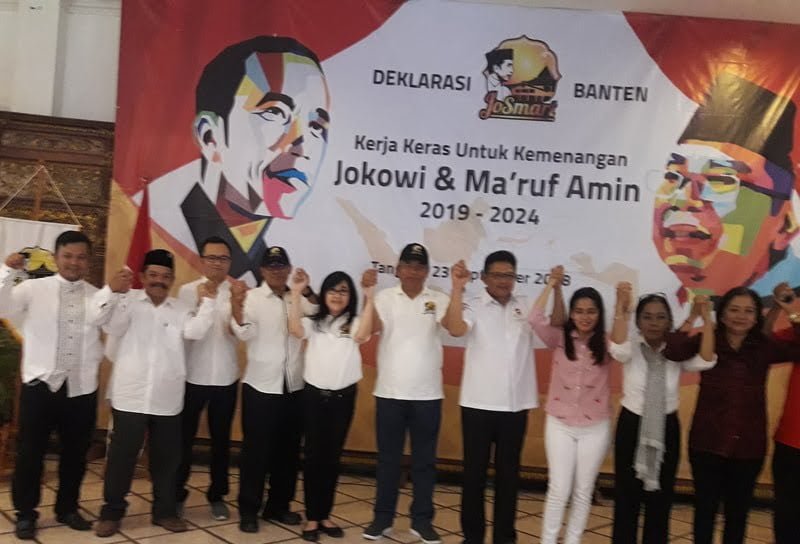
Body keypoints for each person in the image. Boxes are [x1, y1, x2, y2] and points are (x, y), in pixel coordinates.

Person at [146, 36, 331, 283]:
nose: (301, 147)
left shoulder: (267, 263)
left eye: (317, 126)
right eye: (275, 112)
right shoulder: (162, 231)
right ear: (210, 136)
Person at [89, 249, 217, 538]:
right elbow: (107, 323)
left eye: (165, 276)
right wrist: (113, 291)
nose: (159, 281)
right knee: (122, 459)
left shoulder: (180, 309)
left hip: (166, 398)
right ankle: (111, 513)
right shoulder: (128, 301)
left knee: (166, 461)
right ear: (143, 276)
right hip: (130, 396)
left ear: (172, 279)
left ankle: (165, 512)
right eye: (153, 275)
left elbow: (196, 331)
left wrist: (208, 302)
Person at [652, 72, 799, 300]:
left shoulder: (788, 310)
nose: (683, 198)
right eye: (673, 176)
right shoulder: (668, 305)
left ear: (784, 226)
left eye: (720, 180)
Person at [671, 286, 800, 544]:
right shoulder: (708, 339)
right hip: (707, 442)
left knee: (737, 516)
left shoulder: (763, 346)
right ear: (722, 313)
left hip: (748, 447)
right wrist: (693, 317)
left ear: (756, 317)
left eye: (748, 311)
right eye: (734, 310)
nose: (741, 316)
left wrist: (790, 312)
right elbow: (674, 351)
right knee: (704, 512)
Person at [0, 231, 101, 540]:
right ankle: (25, 513)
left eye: (81, 257)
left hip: (81, 388)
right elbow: (2, 308)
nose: (74, 262)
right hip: (40, 385)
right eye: (68, 256)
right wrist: (6, 272)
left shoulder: (98, 296)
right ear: (56, 257)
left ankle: (67, 508)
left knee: (75, 453)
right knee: (30, 453)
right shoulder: (32, 288)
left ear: (88, 261)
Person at [441, 251, 539, 544]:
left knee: (509, 477)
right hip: (478, 405)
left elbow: (555, 324)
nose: (503, 281)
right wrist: (457, 288)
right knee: (474, 475)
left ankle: (504, 537)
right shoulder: (473, 304)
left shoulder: (525, 305)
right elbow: (455, 329)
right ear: (484, 277)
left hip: (515, 405)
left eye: (509, 275)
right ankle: (472, 537)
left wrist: (556, 288)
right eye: (497, 275)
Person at [529, 268, 629, 544]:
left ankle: (573, 540)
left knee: (583, 490)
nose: (585, 317)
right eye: (579, 311)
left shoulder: (606, 343)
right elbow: (534, 317)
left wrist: (622, 306)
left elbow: (623, 350)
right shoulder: (560, 338)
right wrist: (553, 285)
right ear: (571, 314)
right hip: (559, 423)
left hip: (595, 426)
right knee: (558, 488)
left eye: (591, 311)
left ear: (599, 314)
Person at [610, 294, 716, 544]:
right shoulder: (631, 346)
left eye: (660, 317)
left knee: (660, 497)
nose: (654, 323)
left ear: (669, 321)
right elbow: (617, 350)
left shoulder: (677, 351)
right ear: (638, 321)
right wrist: (621, 308)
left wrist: (705, 319)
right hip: (631, 425)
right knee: (626, 496)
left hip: (666, 428)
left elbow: (706, 359)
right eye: (647, 317)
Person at [363, 243, 450, 544]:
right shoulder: (385, 298)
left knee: (425, 463)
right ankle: (382, 519)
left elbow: (455, 328)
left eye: (419, 266)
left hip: (428, 395)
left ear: (426, 271)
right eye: (408, 266)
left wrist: (459, 289)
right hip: (390, 393)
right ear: (398, 270)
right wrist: (368, 294)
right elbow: (370, 329)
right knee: (388, 461)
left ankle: (422, 521)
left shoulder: (438, 299)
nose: (413, 271)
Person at [230, 246, 318, 533]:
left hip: (294, 385)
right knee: (255, 453)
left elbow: (318, 311)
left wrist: (305, 289)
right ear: (263, 270)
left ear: (289, 269)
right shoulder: (253, 298)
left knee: (288, 452)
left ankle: (278, 506)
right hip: (261, 386)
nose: (277, 271)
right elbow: (244, 331)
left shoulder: (297, 297)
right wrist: (235, 303)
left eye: (282, 266)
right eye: (271, 266)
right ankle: (248, 509)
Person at [287, 268, 377, 542]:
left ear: (350, 296)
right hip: (314, 398)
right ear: (324, 294)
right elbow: (294, 329)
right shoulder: (315, 322)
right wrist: (296, 292)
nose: (337, 295)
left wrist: (370, 296)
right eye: (332, 290)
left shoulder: (355, 322)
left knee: (332, 458)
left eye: (343, 291)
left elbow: (363, 335)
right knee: (313, 457)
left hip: (343, 399)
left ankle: (325, 515)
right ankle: (312, 517)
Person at [175, 236, 239, 520]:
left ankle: (217, 495)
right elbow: (187, 333)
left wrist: (236, 303)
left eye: (223, 259)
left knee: (221, 442)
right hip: (192, 376)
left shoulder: (238, 292)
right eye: (212, 258)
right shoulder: (187, 292)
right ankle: (177, 493)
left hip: (226, 377)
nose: (217, 263)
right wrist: (204, 303)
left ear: (230, 263)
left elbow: (240, 331)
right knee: (183, 440)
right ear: (202, 260)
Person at [762, 282, 800, 544]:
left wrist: (791, 312)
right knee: (787, 515)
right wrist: (776, 309)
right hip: (790, 440)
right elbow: (763, 345)